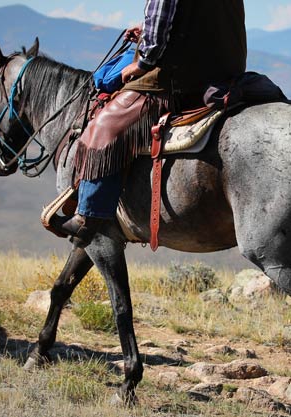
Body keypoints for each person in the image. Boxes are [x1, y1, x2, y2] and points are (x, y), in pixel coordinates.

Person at [50, 0, 247, 245]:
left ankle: (88, 216)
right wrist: (147, 28)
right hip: (226, 72)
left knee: (104, 126)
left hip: (180, 78)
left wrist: (141, 62)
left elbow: (157, 39)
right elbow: (196, 22)